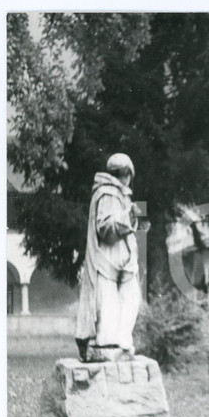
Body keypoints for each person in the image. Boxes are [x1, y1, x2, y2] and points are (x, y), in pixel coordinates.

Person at [74, 153, 141, 362]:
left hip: (123, 264)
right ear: (126, 173)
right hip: (107, 262)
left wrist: (130, 216)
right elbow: (105, 228)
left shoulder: (119, 194)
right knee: (110, 308)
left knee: (130, 300)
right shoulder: (108, 193)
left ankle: (121, 344)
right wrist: (127, 217)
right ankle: (107, 347)